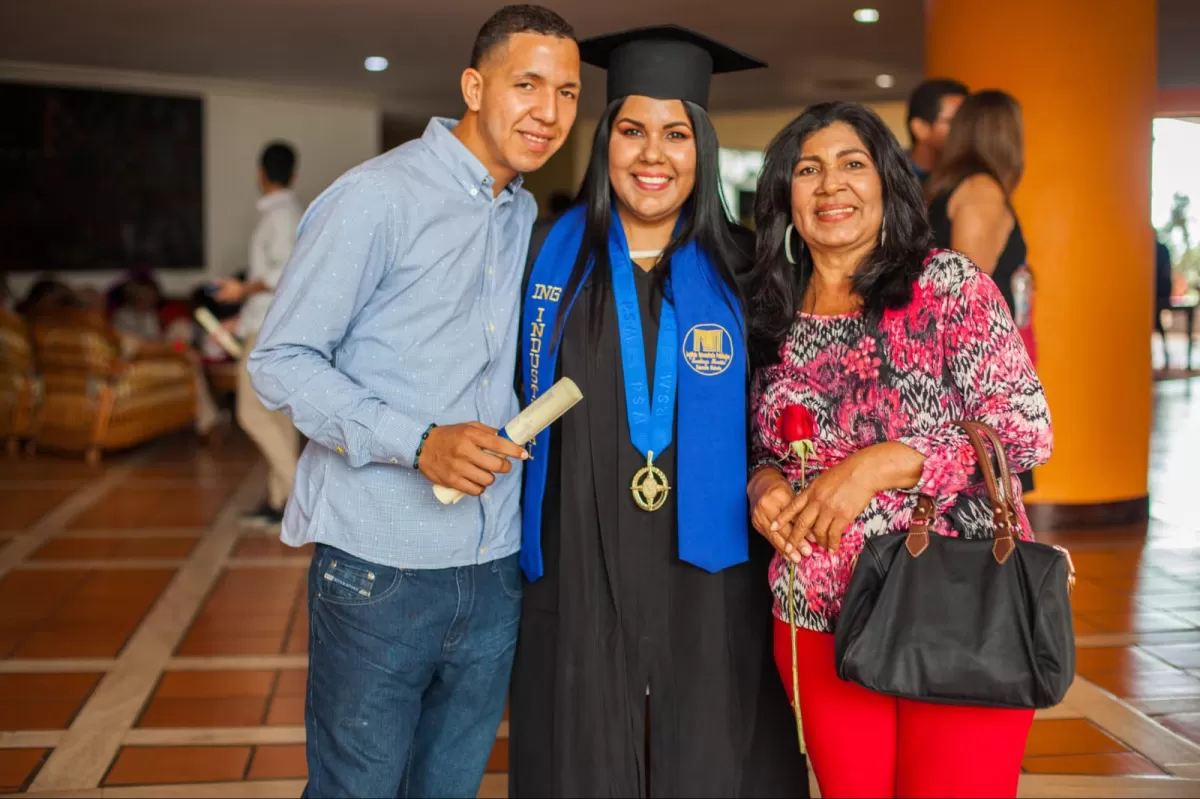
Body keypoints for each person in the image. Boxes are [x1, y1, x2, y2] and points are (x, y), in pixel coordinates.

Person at [247, 6, 580, 797]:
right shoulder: (375, 198)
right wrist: (418, 438)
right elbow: (282, 360)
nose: (549, 111)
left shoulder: (522, 210)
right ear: (474, 85)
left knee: (449, 787)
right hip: (378, 566)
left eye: (567, 92)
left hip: (492, 561)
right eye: (526, 84)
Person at [509, 25, 806, 798]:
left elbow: (783, 410)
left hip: (712, 571)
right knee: (578, 742)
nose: (653, 155)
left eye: (676, 134)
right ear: (604, 141)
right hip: (576, 553)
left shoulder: (750, 269)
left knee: (714, 742)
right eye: (632, 130)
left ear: (701, 149)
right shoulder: (545, 258)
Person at [744, 101, 1052, 798]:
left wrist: (880, 463)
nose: (831, 186)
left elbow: (1026, 426)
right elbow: (756, 444)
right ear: (783, 195)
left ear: (886, 181)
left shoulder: (946, 286)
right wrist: (761, 486)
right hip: (819, 615)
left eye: (853, 164)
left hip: (961, 605)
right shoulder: (767, 311)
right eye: (808, 169)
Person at [925, 89, 1037, 491]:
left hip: (949, 377)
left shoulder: (949, 187)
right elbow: (961, 299)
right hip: (972, 382)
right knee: (987, 505)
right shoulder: (981, 191)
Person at [212, 142, 304, 526]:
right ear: (293, 174)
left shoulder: (281, 215)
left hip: (270, 331)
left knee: (249, 413)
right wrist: (240, 315)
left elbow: (285, 275)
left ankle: (301, 498)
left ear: (259, 173)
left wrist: (241, 292)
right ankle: (279, 503)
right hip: (266, 323)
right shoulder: (283, 213)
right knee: (277, 417)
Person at [905, 78, 968, 185]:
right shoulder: (887, 178)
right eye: (954, 121)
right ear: (920, 128)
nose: (966, 129)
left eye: (968, 121)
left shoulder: (971, 179)